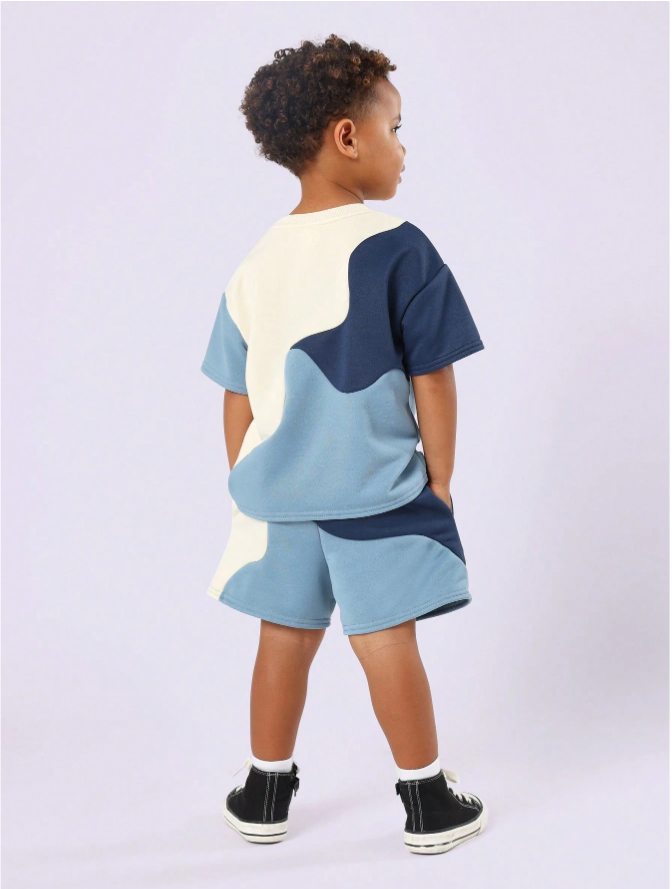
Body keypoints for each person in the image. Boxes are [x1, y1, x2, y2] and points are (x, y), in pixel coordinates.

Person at [200, 34, 487, 855]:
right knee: (386, 639)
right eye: (396, 127)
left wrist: (249, 479)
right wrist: (439, 477)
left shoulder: (254, 263)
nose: (404, 148)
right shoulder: (400, 246)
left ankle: (264, 791)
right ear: (347, 136)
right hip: (379, 494)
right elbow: (433, 375)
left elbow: (235, 394)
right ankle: (428, 801)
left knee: (282, 639)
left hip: (280, 498)